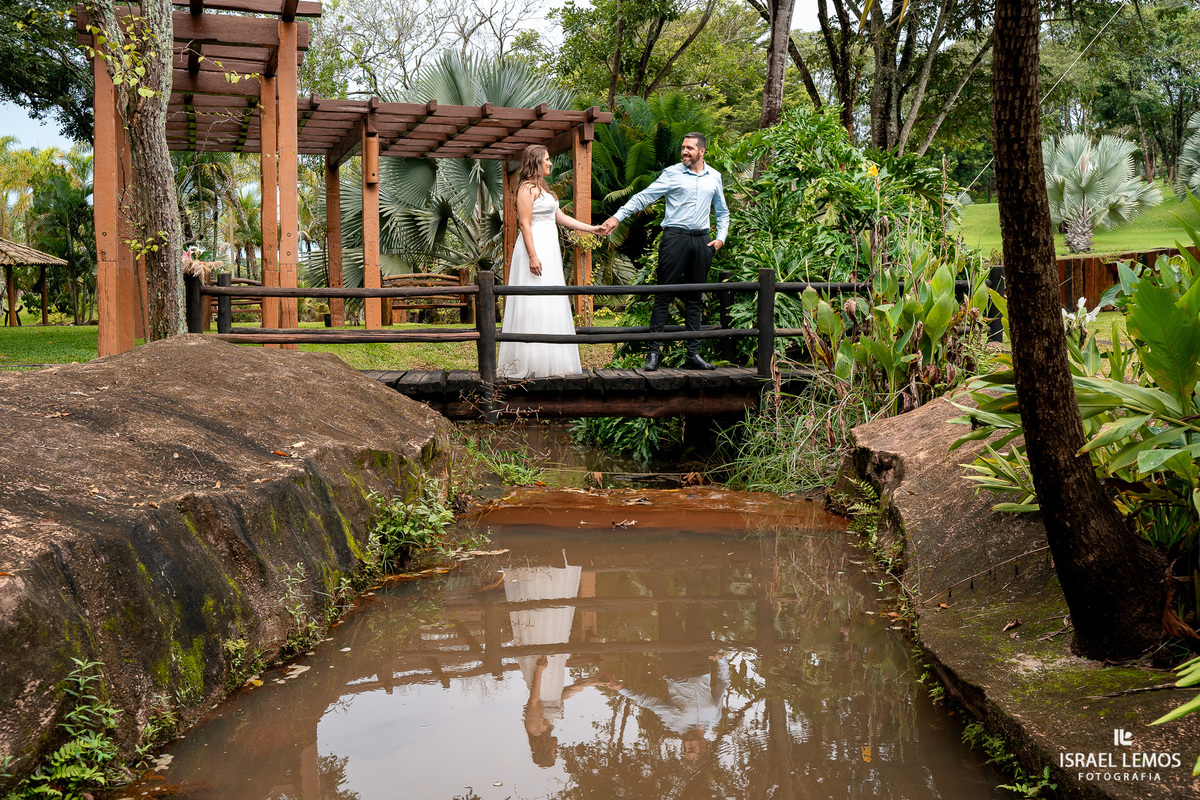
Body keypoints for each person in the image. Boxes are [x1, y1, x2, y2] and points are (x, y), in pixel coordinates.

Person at [598, 132, 730, 371]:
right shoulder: (672, 174)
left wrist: (720, 238)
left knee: (695, 299)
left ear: (702, 151)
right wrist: (618, 216)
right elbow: (643, 197)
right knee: (663, 295)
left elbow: (722, 212)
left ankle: (693, 355)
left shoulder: (715, 177)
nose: (684, 152)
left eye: (689, 148)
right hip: (674, 238)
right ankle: (653, 354)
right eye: (683, 147)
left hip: (702, 241)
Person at [497, 144, 599, 379]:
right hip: (535, 247)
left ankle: (551, 360)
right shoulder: (526, 189)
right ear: (535, 162)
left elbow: (560, 217)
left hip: (549, 248)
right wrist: (533, 256)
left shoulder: (544, 189)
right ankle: (529, 360)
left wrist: (592, 229)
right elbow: (524, 224)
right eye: (547, 159)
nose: (550, 163)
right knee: (533, 300)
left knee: (550, 299)